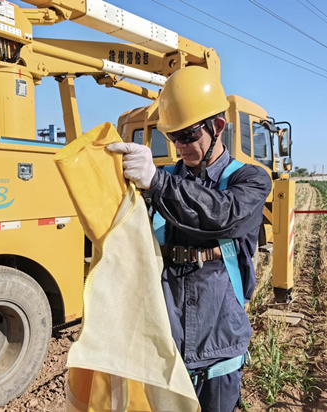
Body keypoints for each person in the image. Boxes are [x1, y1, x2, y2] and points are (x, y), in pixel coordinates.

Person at [107, 65, 271, 411]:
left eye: (188, 135)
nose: (179, 145)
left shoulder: (250, 180)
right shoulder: (162, 179)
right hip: (166, 343)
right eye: (173, 137)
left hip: (218, 343)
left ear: (218, 127)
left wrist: (157, 183)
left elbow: (220, 215)